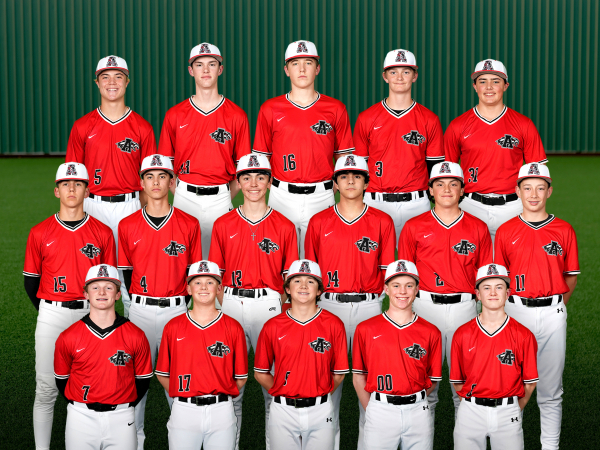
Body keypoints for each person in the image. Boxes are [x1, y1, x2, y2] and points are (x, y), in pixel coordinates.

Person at [304, 154, 395, 449]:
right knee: (327, 383)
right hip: (329, 306)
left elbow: (387, 272)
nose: (351, 181)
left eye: (357, 176)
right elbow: (309, 275)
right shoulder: (319, 221)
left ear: (367, 183)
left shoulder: (382, 221)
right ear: (334, 184)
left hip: (369, 305)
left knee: (371, 383)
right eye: (344, 176)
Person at [24, 163, 116, 450]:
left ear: (87, 191)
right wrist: (51, 311)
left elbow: (110, 283)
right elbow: (30, 282)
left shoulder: (102, 232)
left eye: (78, 184)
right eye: (65, 184)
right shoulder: (39, 232)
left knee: (93, 388)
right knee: (46, 389)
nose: (72, 188)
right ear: (56, 191)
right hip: (52, 313)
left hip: (92, 316)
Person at [208, 153, 298, 449]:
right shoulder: (223, 223)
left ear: (270, 182)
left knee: (273, 386)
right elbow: (215, 276)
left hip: (269, 304)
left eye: (260, 177)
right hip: (231, 302)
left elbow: (291, 280)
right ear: (238, 182)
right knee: (229, 386)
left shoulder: (285, 225)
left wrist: (278, 306)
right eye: (246, 178)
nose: (254, 183)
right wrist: (223, 306)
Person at [118, 154, 203, 449]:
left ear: (172, 182)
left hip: (176, 310)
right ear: (141, 183)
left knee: (179, 384)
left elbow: (195, 274)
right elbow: (126, 272)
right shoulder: (127, 224)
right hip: (140, 310)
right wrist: (137, 304)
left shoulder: (189, 223)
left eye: (162, 176)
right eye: (150, 176)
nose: (156, 182)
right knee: (135, 385)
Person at [397, 161, 493, 418]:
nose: (447, 189)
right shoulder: (413, 226)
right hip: (425, 307)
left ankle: (467, 437)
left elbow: (485, 279)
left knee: (466, 386)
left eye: (453, 184)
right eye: (440, 184)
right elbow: (404, 278)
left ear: (462, 190)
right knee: (423, 385)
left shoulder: (478, 227)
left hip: (465, 308)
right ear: (430, 190)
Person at [495, 163, 579, 450]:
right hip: (515, 312)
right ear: (517, 191)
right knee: (510, 386)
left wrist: (555, 306)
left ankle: (550, 447)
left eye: (540, 188)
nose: (533, 194)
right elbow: (498, 280)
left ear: (549, 192)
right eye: (527, 188)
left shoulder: (564, 229)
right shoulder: (505, 231)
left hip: (553, 313)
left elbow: (570, 276)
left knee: (551, 390)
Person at [66, 55, 157, 315]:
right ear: (97, 83)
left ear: (127, 82)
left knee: (132, 274)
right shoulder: (82, 126)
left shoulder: (142, 127)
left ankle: (133, 332)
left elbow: (151, 180)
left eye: (118, 77)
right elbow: (72, 180)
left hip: (131, 206)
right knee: (90, 272)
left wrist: (144, 213)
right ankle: (89, 333)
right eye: (105, 77)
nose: (112, 82)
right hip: (92, 206)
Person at [253, 40, 354, 256]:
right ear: (286, 70)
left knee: (320, 261)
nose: (301, 69)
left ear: (317, 69)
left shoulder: (335, 108)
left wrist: (334, 188)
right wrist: (274, 188)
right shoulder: (270, 108)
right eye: (295, 63)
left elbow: (345, 159)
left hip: (322, 195)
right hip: (282, 195)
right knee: (279, 262)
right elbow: (260, 159)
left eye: (308, 63)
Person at [158, 42, 251, 257]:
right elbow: (164, 166)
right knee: (182, 261)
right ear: (191, 71)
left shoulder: (237, 115)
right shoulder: (175, 115)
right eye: (199, 65)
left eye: (212, 64)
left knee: (220, 263)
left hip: (221, 197)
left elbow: (245, 169)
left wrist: (226, 194)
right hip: (184, 197)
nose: (206, 70)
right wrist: (181, 192)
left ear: (220, 69)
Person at [444, 59, 547, 241]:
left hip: (513, 206)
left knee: (515, 258)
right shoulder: (458, 125)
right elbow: (447, 173)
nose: (489, 87)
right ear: (475, 86)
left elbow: (537, 173)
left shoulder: (524, 124)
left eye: (496, 81)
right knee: (468, 258)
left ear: (506, 86)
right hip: (470, 205)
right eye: (483, 81)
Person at [54, 264, 153, 450]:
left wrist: (124, 403)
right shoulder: (68, 336)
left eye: (108, 287)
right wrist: (80, 403)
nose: (101, 292)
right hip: (80, 417)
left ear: (118, 294)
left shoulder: (136, 335)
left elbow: (143, 381)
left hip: (122, 417)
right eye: (95, 287)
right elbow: (61, 380)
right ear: (86, 294)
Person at [254, 260, 349, 450]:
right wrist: (284, 390)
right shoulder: (272, 326)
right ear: (287, 289)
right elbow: (260, 373)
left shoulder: (334, 324)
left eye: (311, 281)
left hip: (321, 409)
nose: (304, 286)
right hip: (283, 410)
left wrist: (318, 391)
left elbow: (339, 373)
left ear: (319, 290)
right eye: (297, 281)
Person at [155, 260, 248, 450]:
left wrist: (221, 393)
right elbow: (163, 374)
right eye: (197, 282)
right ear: (188, 289)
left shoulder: (233, 327)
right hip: (184, 410)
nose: (203, 287)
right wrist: (182, 395)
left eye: (210, 282)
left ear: (219, 288)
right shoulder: (173, 326)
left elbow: (241, 377)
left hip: (221, 410)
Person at [353, 49, 444, 240]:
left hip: (416, 203)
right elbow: (359, 167)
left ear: (415, 76)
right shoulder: (367, 118)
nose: (400, 78)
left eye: (406, 71)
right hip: (376, 201)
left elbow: (435, 167)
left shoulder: (429, 119)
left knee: (421, 257)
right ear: (385, 77)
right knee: (372, 256)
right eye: (393, 72)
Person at [353, 260, 442, 450]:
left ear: (417, 289)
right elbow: (359, 376)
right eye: (396, 285)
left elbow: (433, 379)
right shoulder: (365, 329)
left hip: (418, 411)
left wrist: (413, 399)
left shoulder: (431, 331)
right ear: (386, 289)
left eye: (409, 285)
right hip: (380, 409)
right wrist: (372, 409)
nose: (402, 291)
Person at [451, 264, 538, 450]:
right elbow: (457, 381)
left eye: (499, 287)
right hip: (470, 412)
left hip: (508, 411)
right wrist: (473, 406)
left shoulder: (524, 335)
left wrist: (513, 408)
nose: (492, 293)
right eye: (486, 288)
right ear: (477, 294)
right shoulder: (462, 334)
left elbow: (530, 383)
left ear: (508, 293)